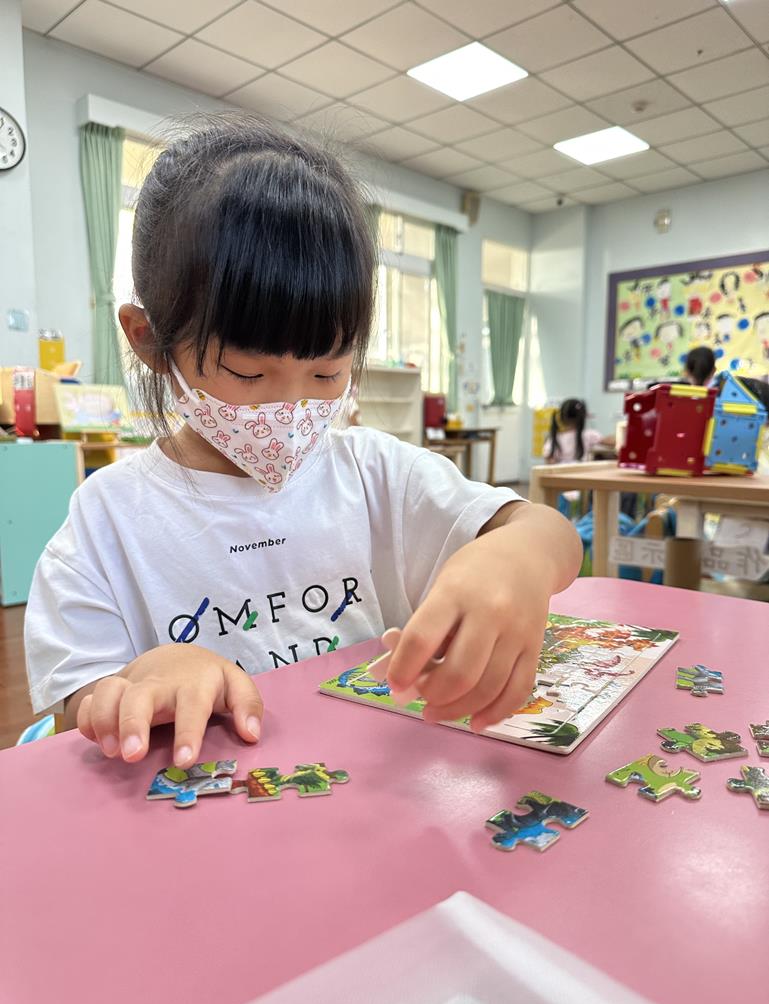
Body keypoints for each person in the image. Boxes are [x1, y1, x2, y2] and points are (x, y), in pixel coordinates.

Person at [24, 114, 581, 769]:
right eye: (247, 373)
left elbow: (548, 531)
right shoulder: (107, 518)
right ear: (149, 340)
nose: (288, 407)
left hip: (374, 791)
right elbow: (74, 710)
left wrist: (518, 558)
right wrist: (144, 676)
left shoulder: (377, 473)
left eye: (326, 373)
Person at [543, 399, 607, 464]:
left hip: (561, 470)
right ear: (583, 417)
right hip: (583, 469)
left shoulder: (554, 438)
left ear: (561, 417)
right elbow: (609, 442)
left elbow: (549, 460)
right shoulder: (589, 435)